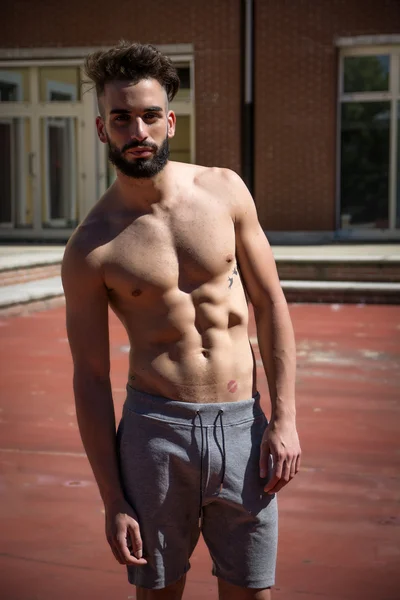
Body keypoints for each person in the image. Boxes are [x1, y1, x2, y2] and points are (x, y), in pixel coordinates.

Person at [62, 41, 301, 600]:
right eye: (121, 118)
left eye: (148, 116)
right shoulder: (92, 247)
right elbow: (91, 378)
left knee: (252, 592)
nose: (137, 130)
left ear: (169, 121)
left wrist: (284, 419)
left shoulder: (225, 191)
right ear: (103, 129)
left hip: (244, 428)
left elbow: (270, 305)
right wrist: (112, 499)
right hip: (155, 435)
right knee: (160, 593)